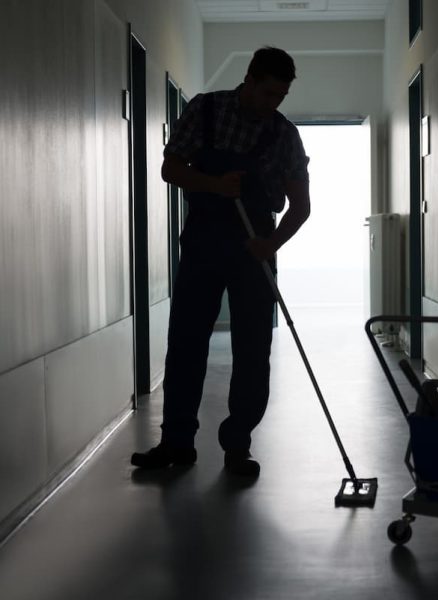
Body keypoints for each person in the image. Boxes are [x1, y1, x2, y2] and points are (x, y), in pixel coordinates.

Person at [131, 47, 310, 477]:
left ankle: (237, 447)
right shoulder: (206, 110)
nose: (273, 104)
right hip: (204, 242)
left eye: (281, 96)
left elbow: (301, 206)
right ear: (248, 79)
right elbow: (170, 169)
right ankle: (176, 443)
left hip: (255, 248)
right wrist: (213, 184)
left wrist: (272, 245)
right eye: (268, 93)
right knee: (186, 344)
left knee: (252, 350)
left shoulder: (284, 135)